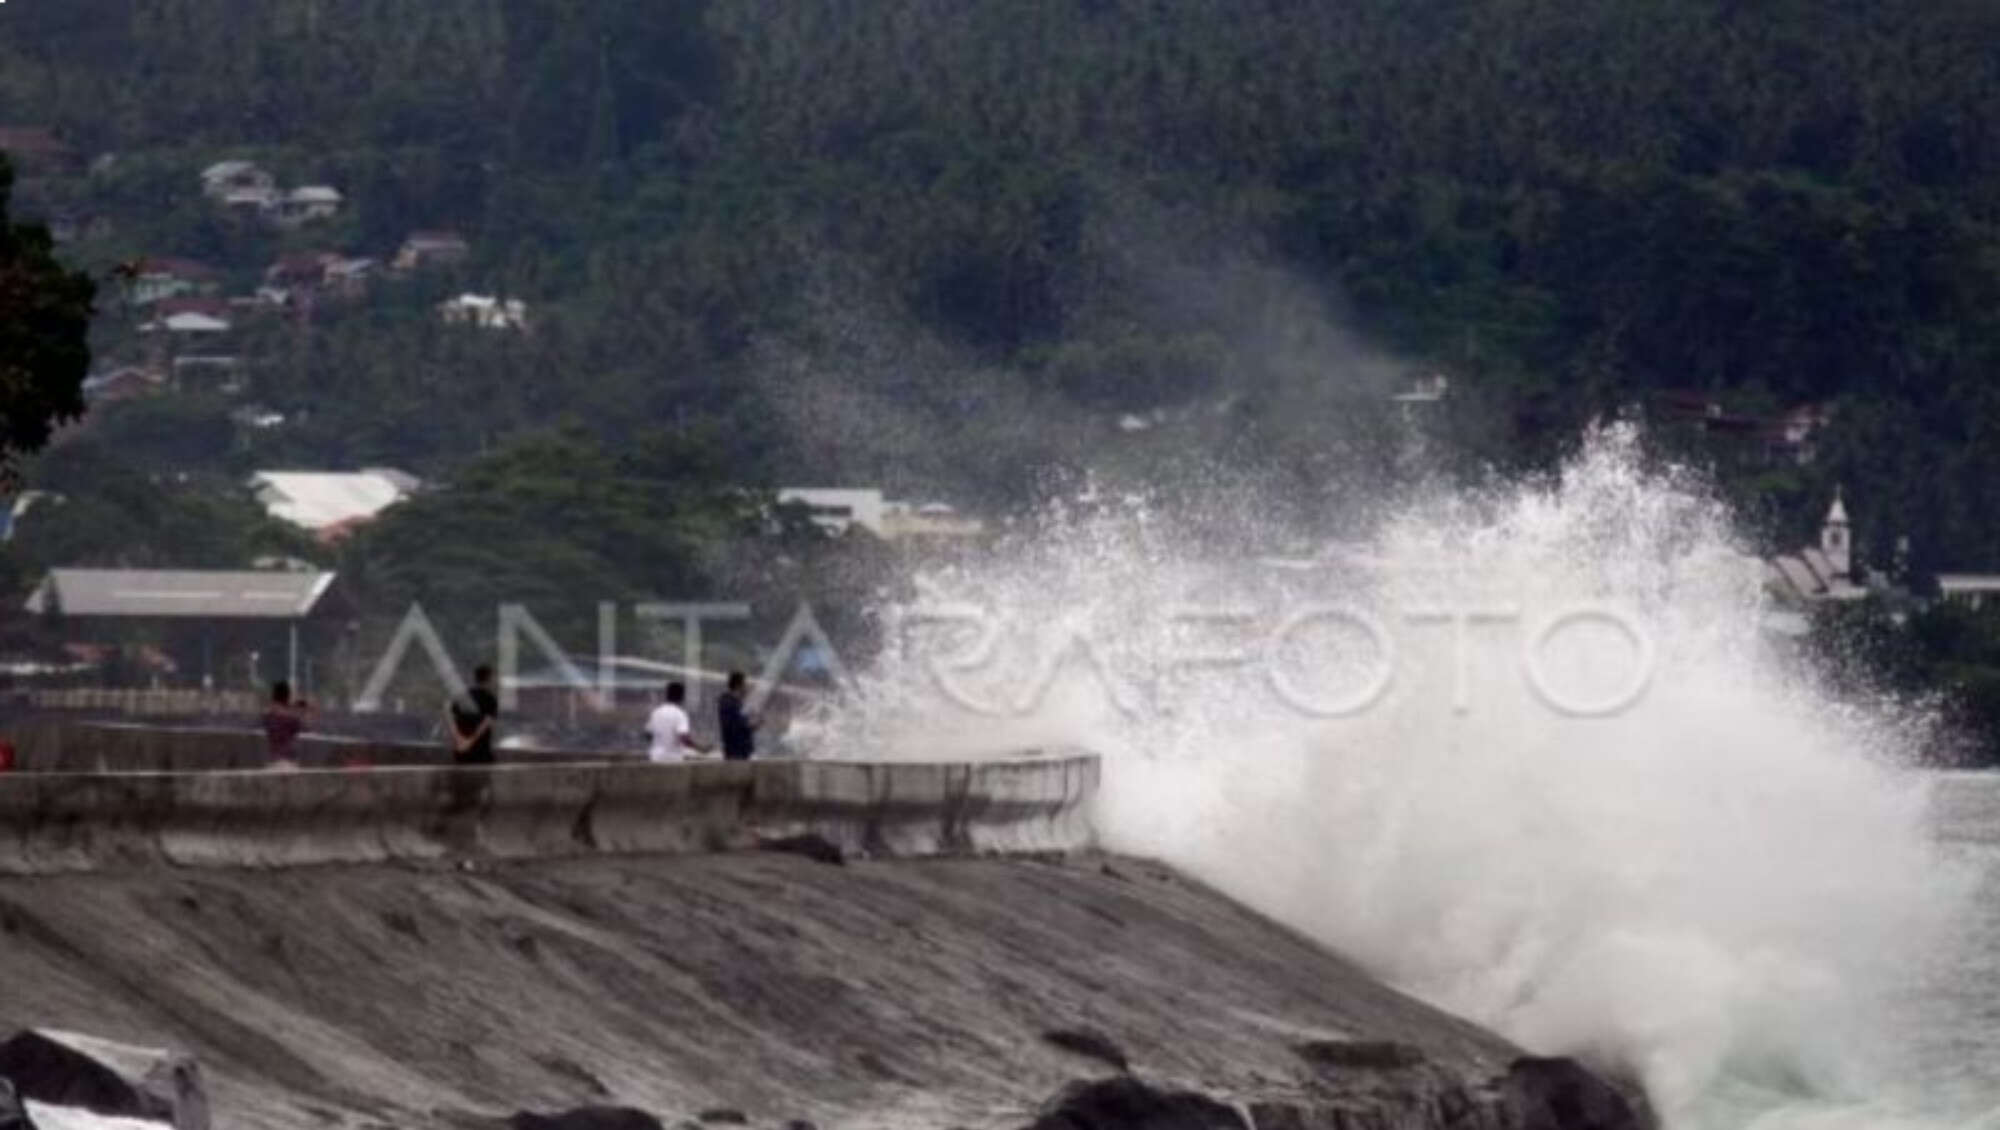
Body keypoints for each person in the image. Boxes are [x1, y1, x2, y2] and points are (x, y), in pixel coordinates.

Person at [645, 681, 710, 763]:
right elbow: (684, 738)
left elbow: (648, 735)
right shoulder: (679, 714)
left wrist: (660, 741)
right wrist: (700, 748)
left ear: (667, 695)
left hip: (655, 758)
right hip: (672, 759)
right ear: (681, 697)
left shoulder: (656, 712)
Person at [446, 665, 499, 765]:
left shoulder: (463, 696)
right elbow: (485, 724)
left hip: (461, 750)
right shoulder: (490, 699)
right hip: (481, 751)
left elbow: (450, 716)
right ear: (489, 678)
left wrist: (459, 739)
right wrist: (469, 742)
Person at [262, 680, 310, 769]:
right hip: (288, 762)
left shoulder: (268, 716)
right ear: (287, 697)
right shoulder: (291, 718)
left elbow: (271, 712)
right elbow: (306, 727)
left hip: (273, 762)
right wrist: (303, 709)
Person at [716, 671, 759, 761]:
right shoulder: (730, 703)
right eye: (745, 684)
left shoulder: (733, 703)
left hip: (738, 751)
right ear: (738, 685)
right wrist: (756, 724)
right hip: (737, 752)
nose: (746, 688)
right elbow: (739, 727)